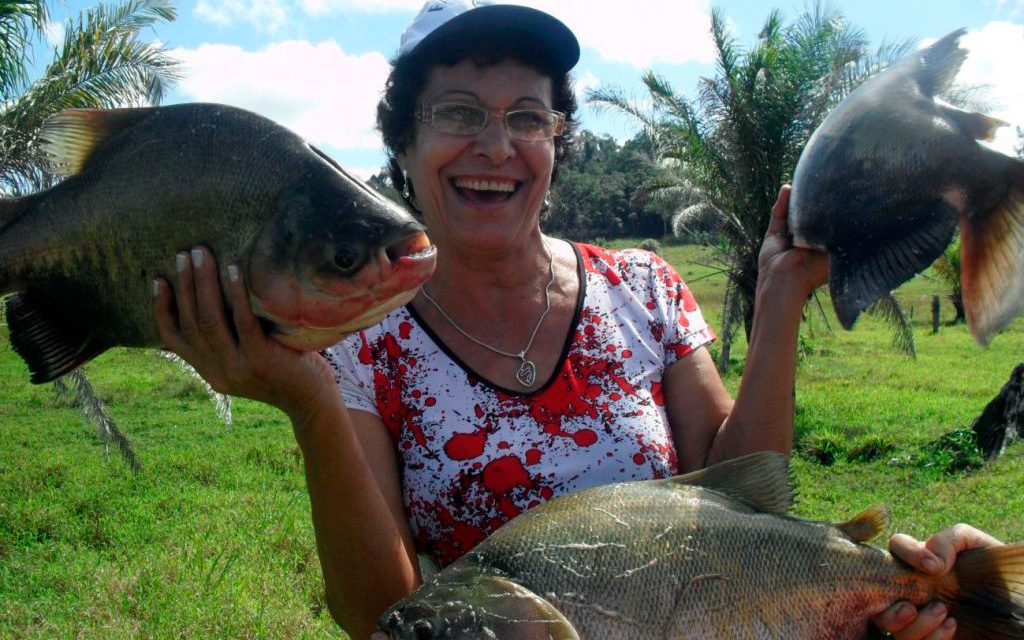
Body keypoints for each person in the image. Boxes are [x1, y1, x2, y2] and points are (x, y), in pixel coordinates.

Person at [151, 1, 1004, 638]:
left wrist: (779, 301)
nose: (495, 145)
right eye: (457, 113)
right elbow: (386, 614)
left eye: (527, 117)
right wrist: (307, 405)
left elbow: (739, 499)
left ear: (558, 146)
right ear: (402, 146)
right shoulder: (361, 338)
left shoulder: (643, 287)